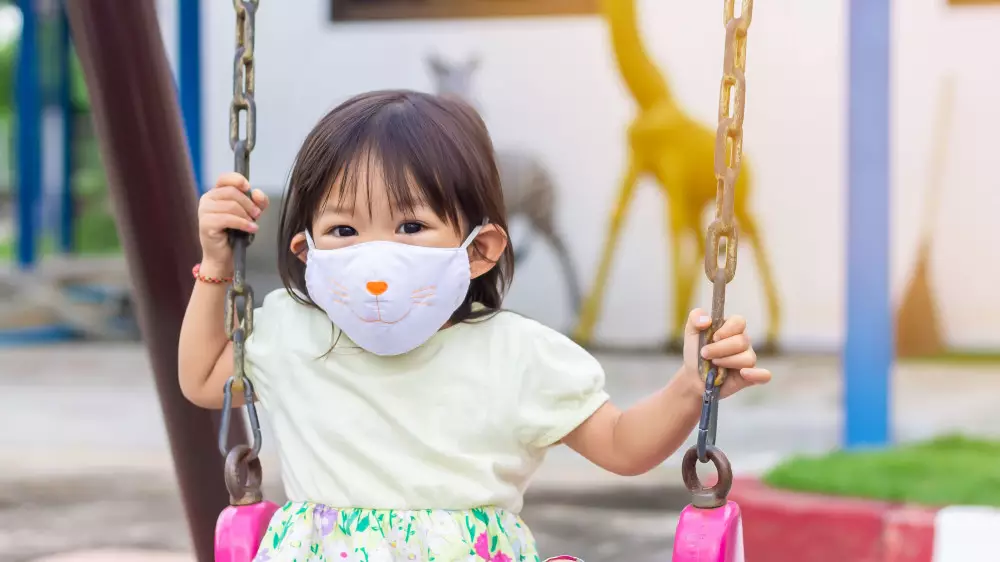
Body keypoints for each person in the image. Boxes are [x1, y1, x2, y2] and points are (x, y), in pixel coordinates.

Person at [178, 90, 771, 562]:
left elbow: (621, 444)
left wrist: (689, 388)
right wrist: (216, 266)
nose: (375, 256)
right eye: (344, 231)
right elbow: (203, 379)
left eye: (411, 227)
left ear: (479, 250)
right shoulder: (292, 331)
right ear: (307, 251)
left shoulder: (516, 353)